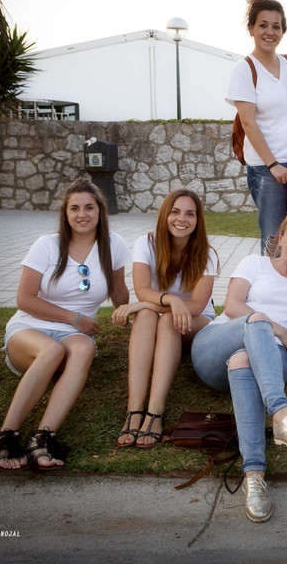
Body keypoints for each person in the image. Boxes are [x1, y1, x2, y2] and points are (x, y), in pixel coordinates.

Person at [191, 211, 287, 523]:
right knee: (255, 321)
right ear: (279, 238)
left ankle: (254, 477)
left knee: (243, 359)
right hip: (217, 345)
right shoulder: (254, 263)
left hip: (268, 360)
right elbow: (233, 306)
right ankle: (282, 413)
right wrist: (280, 330)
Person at [0, 179, 130, 470]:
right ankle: (5, 436)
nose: (82, 214)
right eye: (75, 208)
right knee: (52, 351)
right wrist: (74, 318)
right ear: (65, 214)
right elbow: (25, 300)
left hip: (74, 336)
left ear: (100, 212)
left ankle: (42, 438)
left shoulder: (113, 244)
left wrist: (130, 316)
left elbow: (118, 291)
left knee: (82, 350)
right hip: (30, 329)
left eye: (89, 207)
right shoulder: (47, 245)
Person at [112, 189, 218, 447]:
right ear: (165, 215)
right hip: (162, 315)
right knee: (148, 314)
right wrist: (171, 300)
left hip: (195, 323)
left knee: (161, 316)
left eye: (190, 214)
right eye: (175, 212)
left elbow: (198, 304)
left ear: (197, 220)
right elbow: (143, 291)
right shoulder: (146, 243)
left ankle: (155, 412)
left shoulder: (207, 253)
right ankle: (134, 411)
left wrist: (168, 306)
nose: (182, 219)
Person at [226, 0, 287, 256]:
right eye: (263, 25)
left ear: (283, 30)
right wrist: (273, 165)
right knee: (273, 240)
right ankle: (269, 292)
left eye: (276, 26)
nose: (269, 32)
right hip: (267, 168)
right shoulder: (244, 69)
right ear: (251, 28)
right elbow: (249, 124)